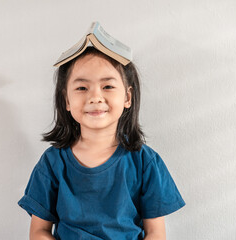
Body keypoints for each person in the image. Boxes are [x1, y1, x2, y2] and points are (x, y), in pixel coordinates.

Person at [18, 47, 185, 240]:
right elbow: (39, 232)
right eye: (82, 88)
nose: (95, 97)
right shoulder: (52, 162)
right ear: (66, 100)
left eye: (107, 86)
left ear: (127, 97)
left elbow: (156, 233)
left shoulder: (145, 162)